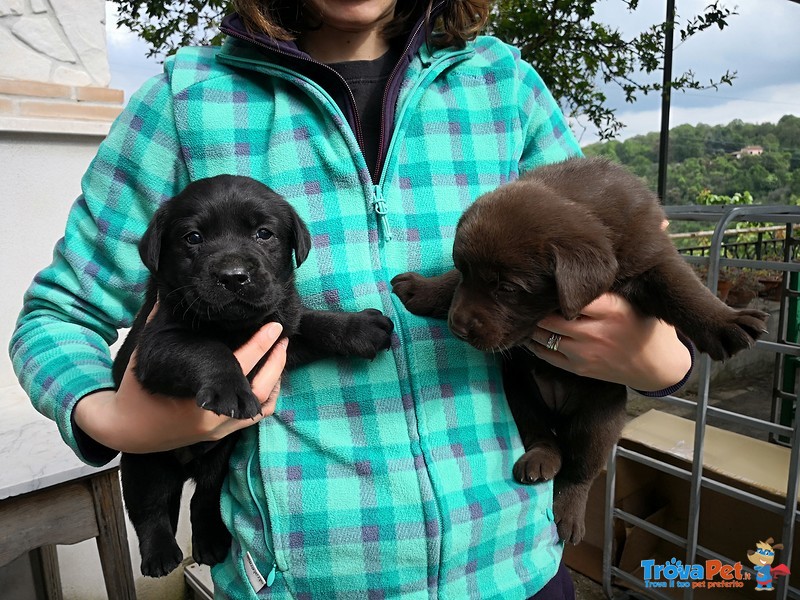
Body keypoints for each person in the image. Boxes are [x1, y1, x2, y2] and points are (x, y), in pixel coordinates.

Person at [9, 1, 692, 597]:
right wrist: (112, 420)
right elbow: (55, 316)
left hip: (514, 565)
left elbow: (606, 256)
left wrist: (658, 356)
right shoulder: (185, 102)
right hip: (299, 582)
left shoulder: (503, 87)